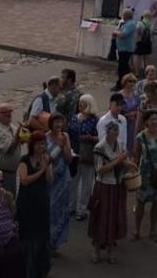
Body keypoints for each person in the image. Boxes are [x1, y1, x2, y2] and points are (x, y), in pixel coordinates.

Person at [88, 119, 129, 263]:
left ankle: (111, 250)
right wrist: (118, 161)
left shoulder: (120, 145)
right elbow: (100, 169)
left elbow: (125, 165)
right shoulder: (100, 147)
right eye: (114, 130)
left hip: (117, 185)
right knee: (101, 217)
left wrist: (127, 162)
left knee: (114, 217)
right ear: (108, 131)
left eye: (117, 130)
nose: (116, 133)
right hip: (103, 186)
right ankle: (96, 250)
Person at [16, 131, 53, 278]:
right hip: (27, 202)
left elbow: (50, 180)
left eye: (43, 143)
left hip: (41, 201)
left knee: (42, 237)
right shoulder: (24, 160)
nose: (41, 147)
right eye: (38, 144)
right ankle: (26, 269)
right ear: (32, 145)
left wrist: (47, 166)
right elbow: (25, 180)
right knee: (28, 238)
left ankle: (41, 269)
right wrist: (41, 170)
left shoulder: (46, 159)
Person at [132, 106, 157, 240]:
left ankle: (153, 230)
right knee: (141, 202)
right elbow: (137, 156)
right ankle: (137, 230)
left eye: (155, 119)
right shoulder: (140, 137)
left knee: (156, 202)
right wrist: (134, 172)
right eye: (151, 119)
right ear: (146, 122)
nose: (154, 121)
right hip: (146, 172)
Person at [45, 112, 74, 252]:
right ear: (51, 123)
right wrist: (57, 147)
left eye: (60, 122)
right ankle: (48, 240)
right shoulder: (45, 138)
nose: (58, 125)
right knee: (50, 210)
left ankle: (57, 243)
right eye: (56, 122)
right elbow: (45, 159)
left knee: (62, 210)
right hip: (50, 179)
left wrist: (64, 145)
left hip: (63, 178)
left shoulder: (65, 136)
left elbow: (69, 159)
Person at [68, 95, 99, 220]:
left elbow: (100, 137)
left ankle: (83, 209)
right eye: (79, 103)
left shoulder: (94, 120)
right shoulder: (74, 118)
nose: (80, 105)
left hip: (88, 154)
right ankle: (71, 206)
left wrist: (91, 138)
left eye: (83, 103)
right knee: (73, 182)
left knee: (86, 183)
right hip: (75, 154)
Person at [0, 103, 24, 194]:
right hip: (2, 174)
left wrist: (25, 133)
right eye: (5, 112)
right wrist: (18, 134)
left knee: (11, 199)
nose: (9, 114)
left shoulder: (11, 127)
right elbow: (10, 149)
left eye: (10, 111)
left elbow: (20, 141)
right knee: (3, 200)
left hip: (12, 173)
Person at [111, 9, 137, 88]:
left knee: (123, 67)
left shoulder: (130, 24)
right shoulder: (124, 23)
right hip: (122, 48)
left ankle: (121, 84)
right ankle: (126, 82)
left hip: (126, 49)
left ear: (126, 16)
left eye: (123, 15)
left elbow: (123, 35)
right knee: (123, 66)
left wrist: (115, 33)